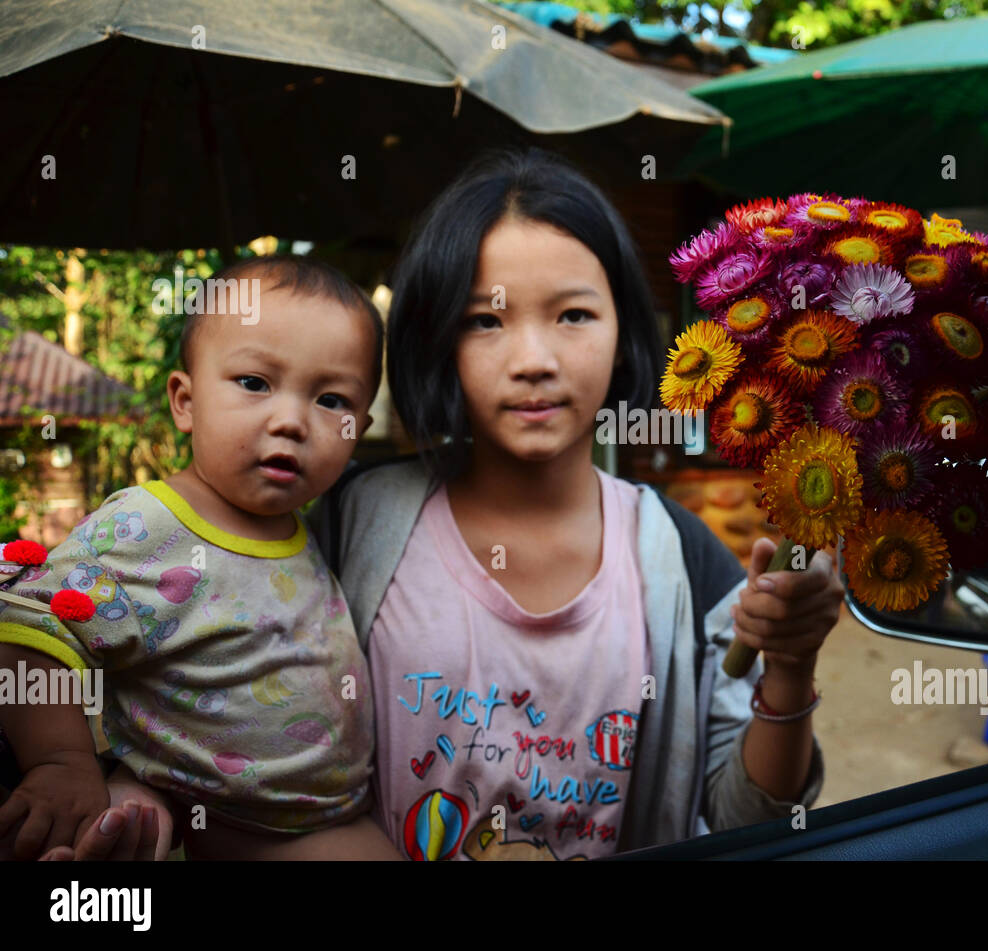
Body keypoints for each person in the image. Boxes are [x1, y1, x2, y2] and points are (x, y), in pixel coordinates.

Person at [307, 147, 843, 860]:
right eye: (485, 321)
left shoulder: (683, 561)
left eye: (573, 315)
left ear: (623, 332)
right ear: (436, 341)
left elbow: (744, 816)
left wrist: (789, 667)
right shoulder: (350, 528)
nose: (535, 359)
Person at [0, 255, 400, 860]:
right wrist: (59, 761)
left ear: (360, 426)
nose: (291, 420)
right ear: (185, 401)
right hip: (217, 822)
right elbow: (28, 624)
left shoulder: (300, 525)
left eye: (331, 399)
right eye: (255, 383)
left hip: (327, 818)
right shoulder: (148, 524)